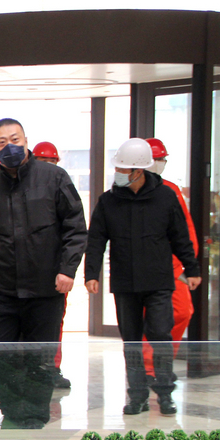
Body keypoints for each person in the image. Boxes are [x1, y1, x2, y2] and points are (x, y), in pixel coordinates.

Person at [0, 118, 87, 429]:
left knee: (40, 358)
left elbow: (75, 227)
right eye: (1, 143)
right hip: (2, 291)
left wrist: (68, 269)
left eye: (15, 139)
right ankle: (12, 409)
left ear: (25, 140)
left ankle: (35, 416)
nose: (9, 146)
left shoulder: (54, 178)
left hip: (46, 289)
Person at [84, 138, 201, 416]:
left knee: (161, 335)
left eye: (123, 169)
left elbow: (180, 236)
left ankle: (165, 394)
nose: (118, 173)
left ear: (139, 171)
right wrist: (91, 273)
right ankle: (136, 395)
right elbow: (96, 239)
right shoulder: (108, 201)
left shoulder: (166, 197)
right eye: (118, 168)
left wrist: (192, 269)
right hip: (125, 283)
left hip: (159, 281)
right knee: (132, 341)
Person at [141, 137, 198, 386]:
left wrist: (186, 264)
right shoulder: (127, 192)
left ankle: (161, 364)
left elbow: (185, 231)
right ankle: (148, 369)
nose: (159, 163)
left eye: (162, 159)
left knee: (182, 311)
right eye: (156, 159)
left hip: (171, 267)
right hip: (143, 268)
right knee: (147, 318)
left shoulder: (172, 191)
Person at [34, 140, 71, 389]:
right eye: (44, 162)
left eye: (52, 162)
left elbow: (73, 230)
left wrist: (66, 269)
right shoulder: (26, 190)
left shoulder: (62, 189)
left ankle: (51, 368)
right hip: (24, 275)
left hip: (54, 274)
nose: (49, 167)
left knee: (55, 324)